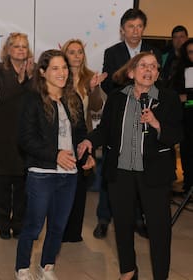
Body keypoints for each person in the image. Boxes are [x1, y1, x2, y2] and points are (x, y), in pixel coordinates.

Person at [78, 52, 183, 280]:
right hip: (121, 172)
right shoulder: (117, 98)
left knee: (159, 230)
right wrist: (89, 140)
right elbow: (105, 130)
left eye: (153, 67)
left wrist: (156, 124)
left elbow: (176, 134)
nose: (148, 70)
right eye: (143, 65)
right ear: (131, 72)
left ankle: (161, 275)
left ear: (157, 73)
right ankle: (128, 270)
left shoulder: (169, 98)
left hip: (155, 174)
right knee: (123, 225)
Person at [15, 49, 94, 280]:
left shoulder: (73, 98)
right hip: (41, 173)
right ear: (43, 72)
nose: (62, 73)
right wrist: (55, 154)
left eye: (64, 68)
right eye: (55, 68)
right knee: (34, 225)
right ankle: (22, 268)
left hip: (69, 174)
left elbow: (80, 132)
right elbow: (26, 139)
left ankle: (47, 266)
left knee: (58, 226)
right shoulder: (32, 99)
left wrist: (84, 153)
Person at [94, 8, 161, 239]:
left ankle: (137, 219)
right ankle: (103, 218)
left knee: (139, 170)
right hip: (119, 116)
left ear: (144, 28)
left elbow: (161, 85)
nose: (135, 31)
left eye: (139, 26)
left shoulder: (153, 52)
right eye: (130, 27)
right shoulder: (112, 52)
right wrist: (126, 95)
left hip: (146, 117)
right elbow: (107, 84)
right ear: (122, 30)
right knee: (112, 167)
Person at [61, 39, 107, 242]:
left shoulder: (90, 76)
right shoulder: (59, 74)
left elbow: (96, 107)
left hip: (83, 137)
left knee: (80, 187)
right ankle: (59, 230)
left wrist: (94, 88)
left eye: (80, 52)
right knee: (63, 186)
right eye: (72, 52)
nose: (77, 55)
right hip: (61, 137)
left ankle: (74, 233)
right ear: (65, 54)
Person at [0, 32, 34, 240]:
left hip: (26, 137)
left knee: (23, 186)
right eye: (16, 46)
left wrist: (29, 79)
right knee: (1, 185)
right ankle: (2, 225)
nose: (20, 49)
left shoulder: (34, 73)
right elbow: (1, 97)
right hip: (3, 135)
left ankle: (18, 225)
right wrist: (21, 80)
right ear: (8, 50)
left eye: (24, 46)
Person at [169, 38, 193, 195]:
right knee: (187, 151)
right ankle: (188, 184)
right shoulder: (183, 70)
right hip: (187, 118)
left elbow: (187, 97)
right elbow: (178, 96)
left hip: (188, 110)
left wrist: (189, 98)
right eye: (191, 52)